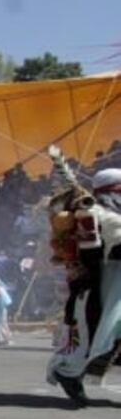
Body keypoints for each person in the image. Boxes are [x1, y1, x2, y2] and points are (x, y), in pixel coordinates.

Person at [46, 166, 121, 406]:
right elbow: (92, 253)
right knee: (94, 333)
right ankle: (68, 373)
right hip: (103, 284)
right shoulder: (92, 213)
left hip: (113, 283)